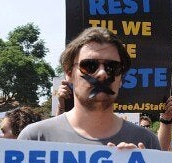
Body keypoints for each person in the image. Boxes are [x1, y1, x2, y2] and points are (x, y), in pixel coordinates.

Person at [18, 27, 159, 150]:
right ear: (69, 73)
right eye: (90, 65)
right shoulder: (35, 138)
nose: (102, 74)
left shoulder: (147, 142)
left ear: (121, 78)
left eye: (112, 67)